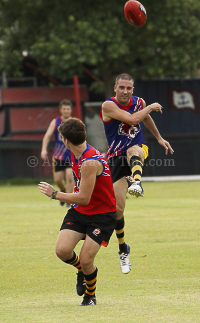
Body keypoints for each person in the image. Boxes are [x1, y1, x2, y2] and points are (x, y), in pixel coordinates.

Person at [38, 118, 117, 306]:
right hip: (80, 212)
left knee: (87, 259)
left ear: (65, 140)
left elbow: (84, 198)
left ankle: (90, 296)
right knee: (62, 251)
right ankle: (82, 270)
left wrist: (55, 194)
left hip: (102, 215)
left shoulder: (89, 162)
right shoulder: (75, 152)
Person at [101, 73, 174, 274]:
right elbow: (135, 118)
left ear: (133, 89)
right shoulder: (108, 106)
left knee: (134, 150)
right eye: (122, 87)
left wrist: (158, 138)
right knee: (117, 210)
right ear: (115, 88)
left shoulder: (138, 102)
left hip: (136, 148)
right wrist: (149, 107)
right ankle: (123, 248)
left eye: (129, 88)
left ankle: (137, 182)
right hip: (115, 157)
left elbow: (145, 118)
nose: (125, 91)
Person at [41, 99, 73, 207]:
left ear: (71, 110)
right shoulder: (56, 122)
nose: (66, 111)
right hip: (58, 156)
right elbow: (47, 136)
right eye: (64, 109)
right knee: (58, 179)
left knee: (69, 176)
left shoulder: (74, 122)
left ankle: (68, 200)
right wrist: (44, 149)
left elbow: (81, 137)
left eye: (68, 109)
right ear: (60, 110)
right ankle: (63, 191)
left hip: (71, 155)